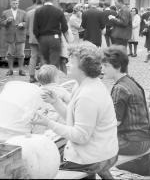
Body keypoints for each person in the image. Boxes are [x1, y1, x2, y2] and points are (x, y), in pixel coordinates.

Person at [31, 42, 118, 179]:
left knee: (40, 161)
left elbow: (80, 136)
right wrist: (56, 102)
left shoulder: (87, 95)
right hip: (97, 151)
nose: (66, 64)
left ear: (83, 67)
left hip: (94, 157)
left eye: (71, 61)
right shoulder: (83, 84)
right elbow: (73, 120)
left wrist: (49, 124)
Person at [102, 45, 150, 174]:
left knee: (93, 146)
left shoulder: (120, 88)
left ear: (117, 66)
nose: (102, 69)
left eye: (106, 66)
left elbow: (114, 122)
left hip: (133, 143)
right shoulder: (130, 81)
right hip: (144, 139)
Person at [33, 0, 68, 69]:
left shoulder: (38, 11)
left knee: (45, 62)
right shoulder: (58, 11)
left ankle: (45, 79)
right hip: (55, 38)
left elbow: (35, 29)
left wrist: (39, 38)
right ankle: (53, 79)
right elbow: (65, 27)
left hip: (42, 38)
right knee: (54, 62)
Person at [1, 0, 27, 76]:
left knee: (21, 54)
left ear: (18, 3)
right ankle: (10, 70)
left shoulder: (23, 12)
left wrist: (22, 24)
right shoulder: (5, 12)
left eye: (16, 3)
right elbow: (1, 23)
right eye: (13, 3)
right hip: (10, 36)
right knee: (10, 54)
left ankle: (21, 70)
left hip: (20, 36)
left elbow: (26, 23)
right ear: (10, 4)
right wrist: (7, 21)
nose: (15, 5)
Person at [25, 0, 43, 83]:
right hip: (42, 38)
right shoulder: (45, 11)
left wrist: (29, 36)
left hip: (32, 38)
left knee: (33, 57)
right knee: (43, 57)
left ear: (35, 2)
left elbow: (27, 27)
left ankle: (31, 76)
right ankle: (42, 77)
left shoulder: (29, 12)